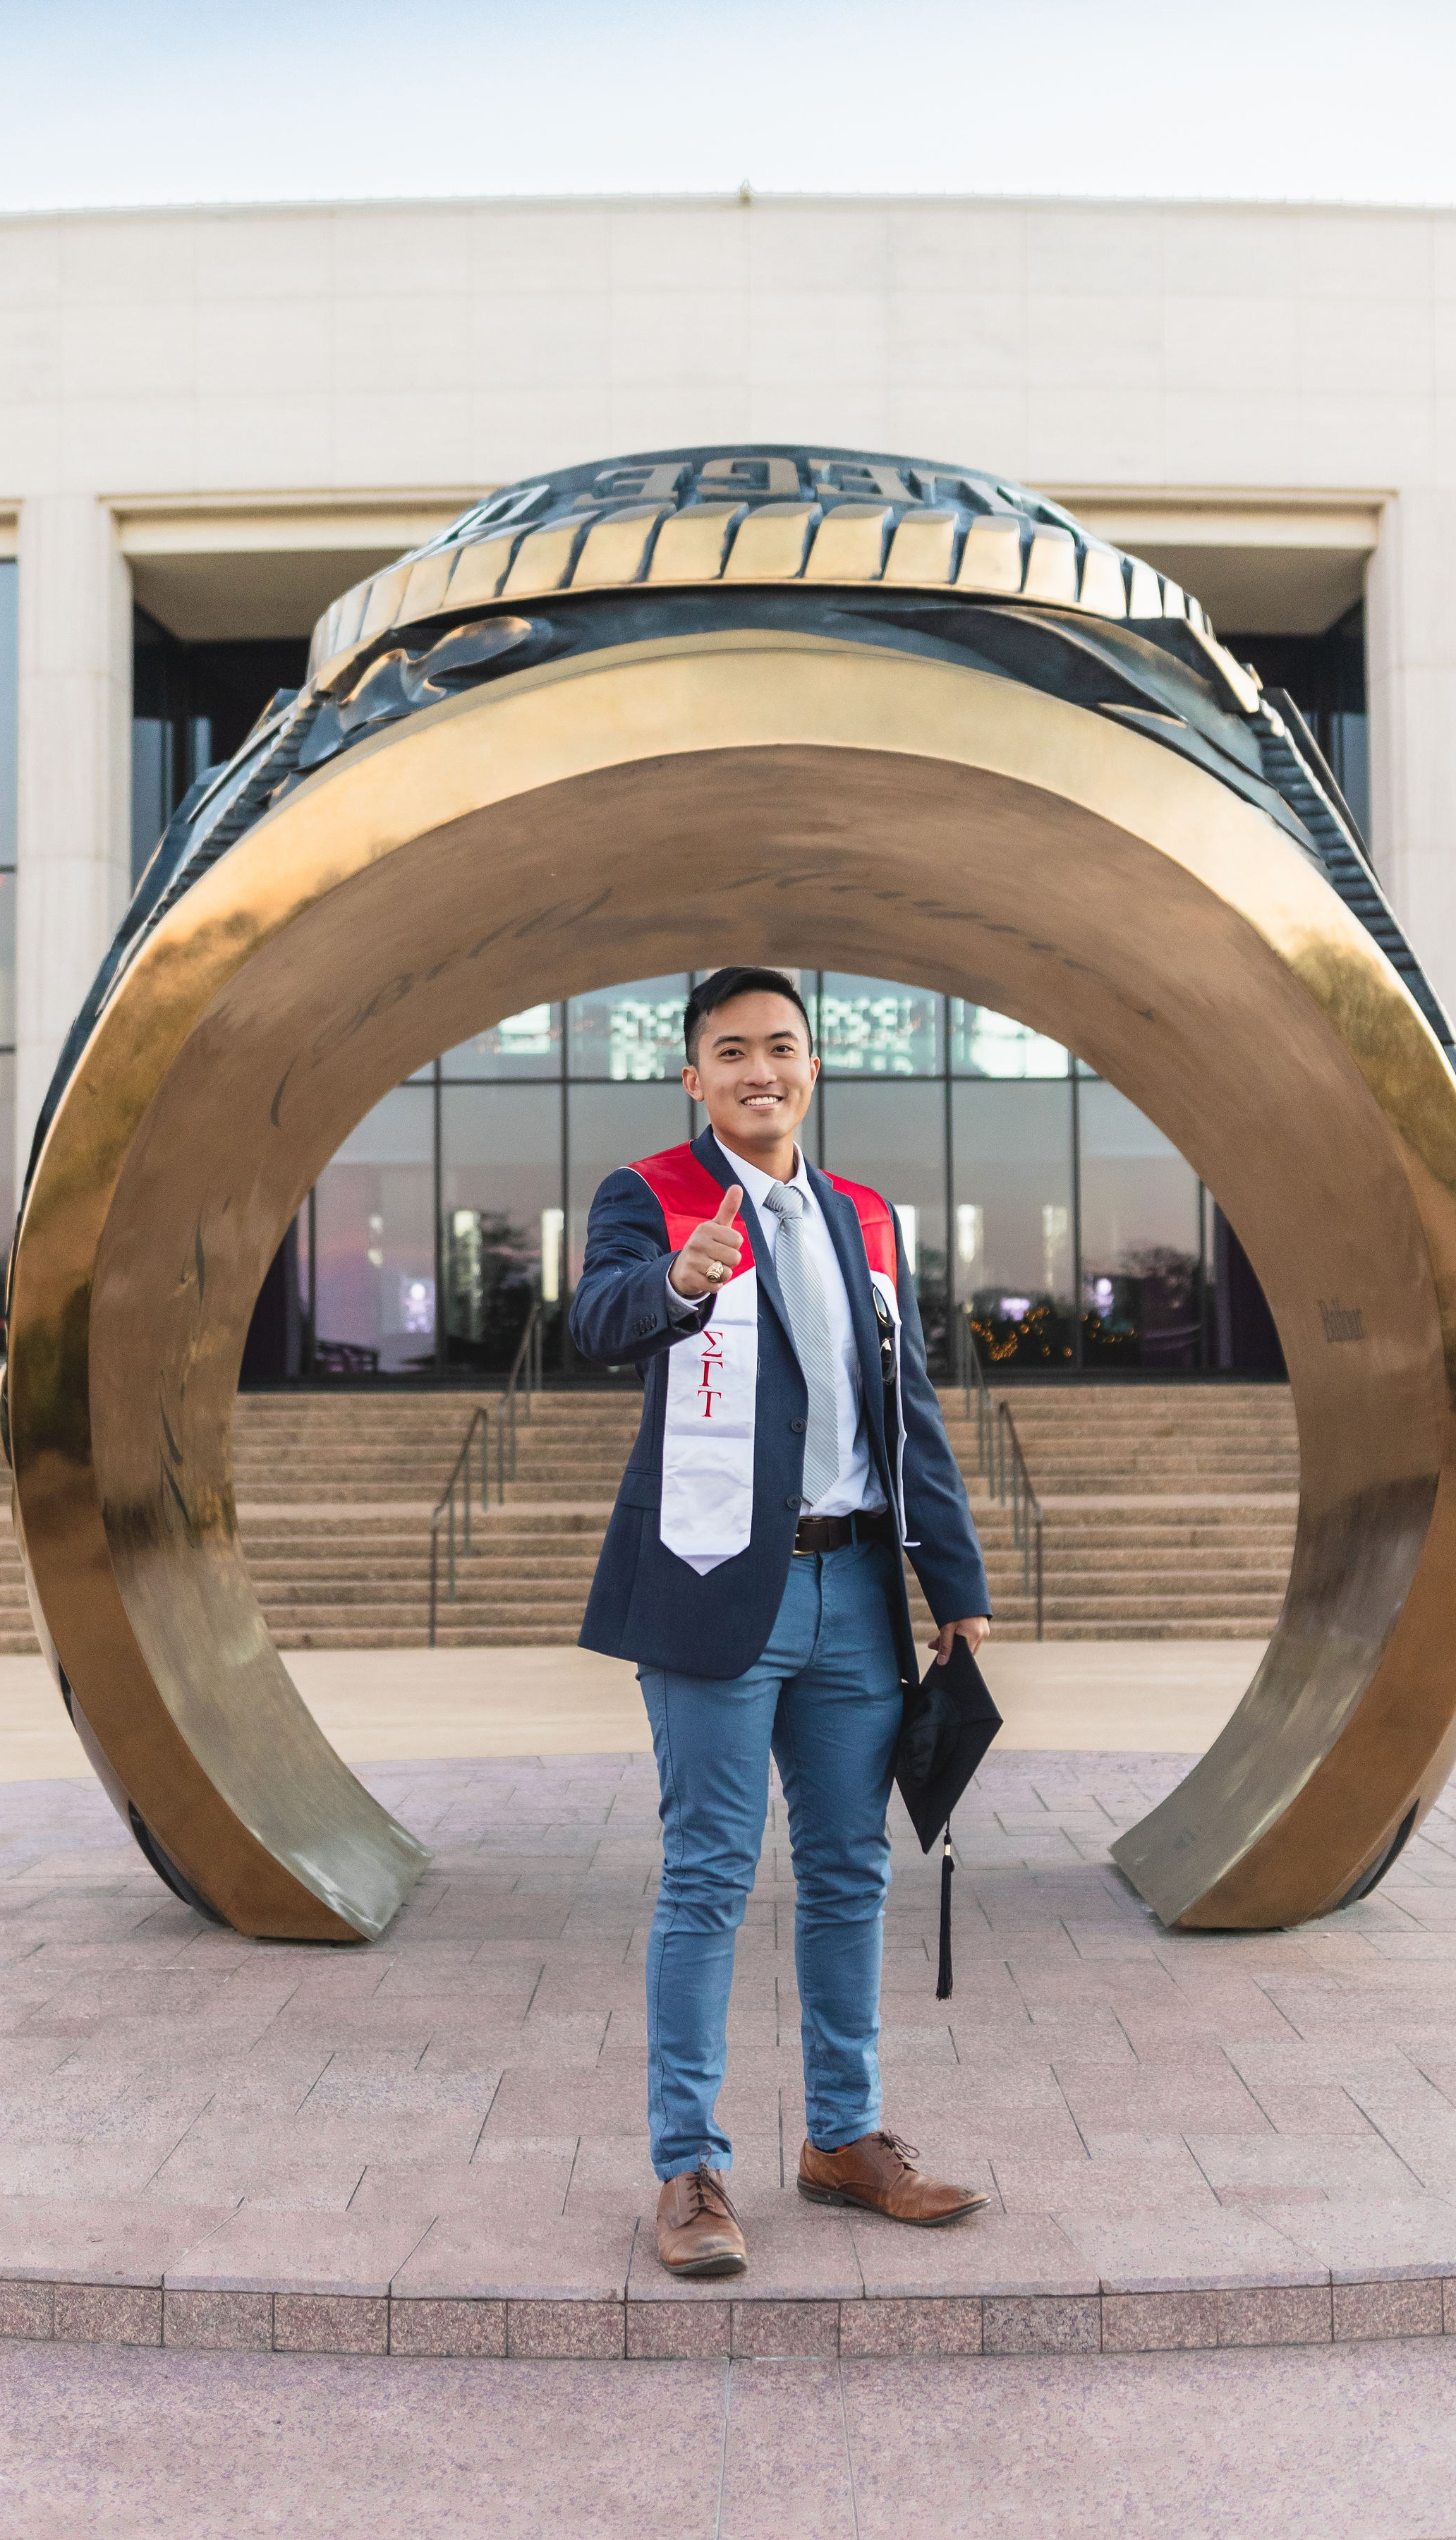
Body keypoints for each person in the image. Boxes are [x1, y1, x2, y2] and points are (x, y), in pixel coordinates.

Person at [570, 964, 993, 2279]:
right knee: (706, 1873)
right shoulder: (652, 1195)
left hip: (859, 1591)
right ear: (693, 1076)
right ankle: (690, 2170)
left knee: (852, 1872)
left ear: (815, 1069)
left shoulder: (863, 1216)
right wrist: (679, 1284)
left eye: (786, 1048)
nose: (764, 1068)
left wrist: (959, 1594)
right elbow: (596, 1320)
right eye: (734, 1050)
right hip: (715, 1587)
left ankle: (843, 2139)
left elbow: (906, 1405)